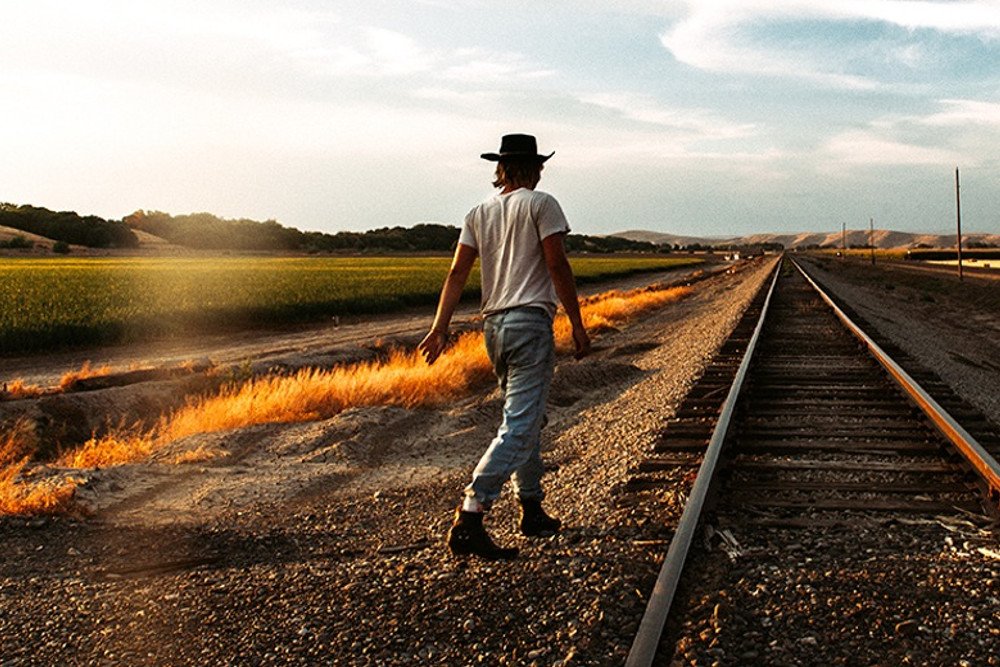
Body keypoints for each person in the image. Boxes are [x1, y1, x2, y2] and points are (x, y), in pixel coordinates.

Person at [419, 133, 591, 560]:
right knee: (520, 423)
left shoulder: (479, 213)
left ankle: (531, 507)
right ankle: (471, 515)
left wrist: (440, 327)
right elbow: (557, 263)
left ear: (501, 169)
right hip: (530, 323)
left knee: (526, 419)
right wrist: (577, 323)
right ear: (532, 169)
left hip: (493, 328)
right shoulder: (541, 204)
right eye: (539, 166)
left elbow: (457, 273)